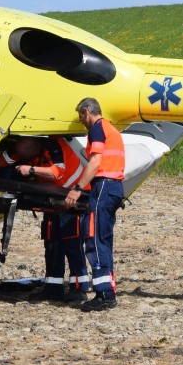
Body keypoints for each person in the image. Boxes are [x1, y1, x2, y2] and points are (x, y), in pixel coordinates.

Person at [0, 136, 87, 302]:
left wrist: (31, 170)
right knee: (52, 243)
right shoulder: (26, 150)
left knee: (71, 243)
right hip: (52, 198)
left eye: (27, 154)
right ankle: (53, 287)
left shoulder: (53, 145)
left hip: (73, 199)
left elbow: (57, 172)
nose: (24, 157)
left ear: (35, 145)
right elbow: (3, 160)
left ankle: (79, 288)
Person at [67, 97, 126, 312]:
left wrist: (78, 188)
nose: (81, 121)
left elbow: (96, 161)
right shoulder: (110, 129)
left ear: (87, 112)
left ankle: (104, 294)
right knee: (104, 239)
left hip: (103, 187)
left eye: (80, 117)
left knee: (94, 237)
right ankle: (107, 289)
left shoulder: (97, 129)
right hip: (114, 187)